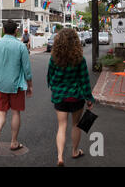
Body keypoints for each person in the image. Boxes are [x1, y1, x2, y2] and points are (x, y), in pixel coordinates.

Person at [47, 28, 95, 167]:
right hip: (76, 96)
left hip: (60, 96)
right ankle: (74, 151)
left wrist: (56, 88)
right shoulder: (80, 59)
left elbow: (50, 76)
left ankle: (60, 156)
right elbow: (84, 80)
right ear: (75, 42)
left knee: (61, 126)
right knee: (76, 125)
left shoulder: (54, 58)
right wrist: (89, 99)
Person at [0, 19, 33, 154]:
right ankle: (13, 142)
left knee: (1, 111)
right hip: (16, 84)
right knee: (15, 112)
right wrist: (30, 85)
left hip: (0, 83)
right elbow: (27, 69)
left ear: (3, 30)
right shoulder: (21, 46)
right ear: (16, 31)